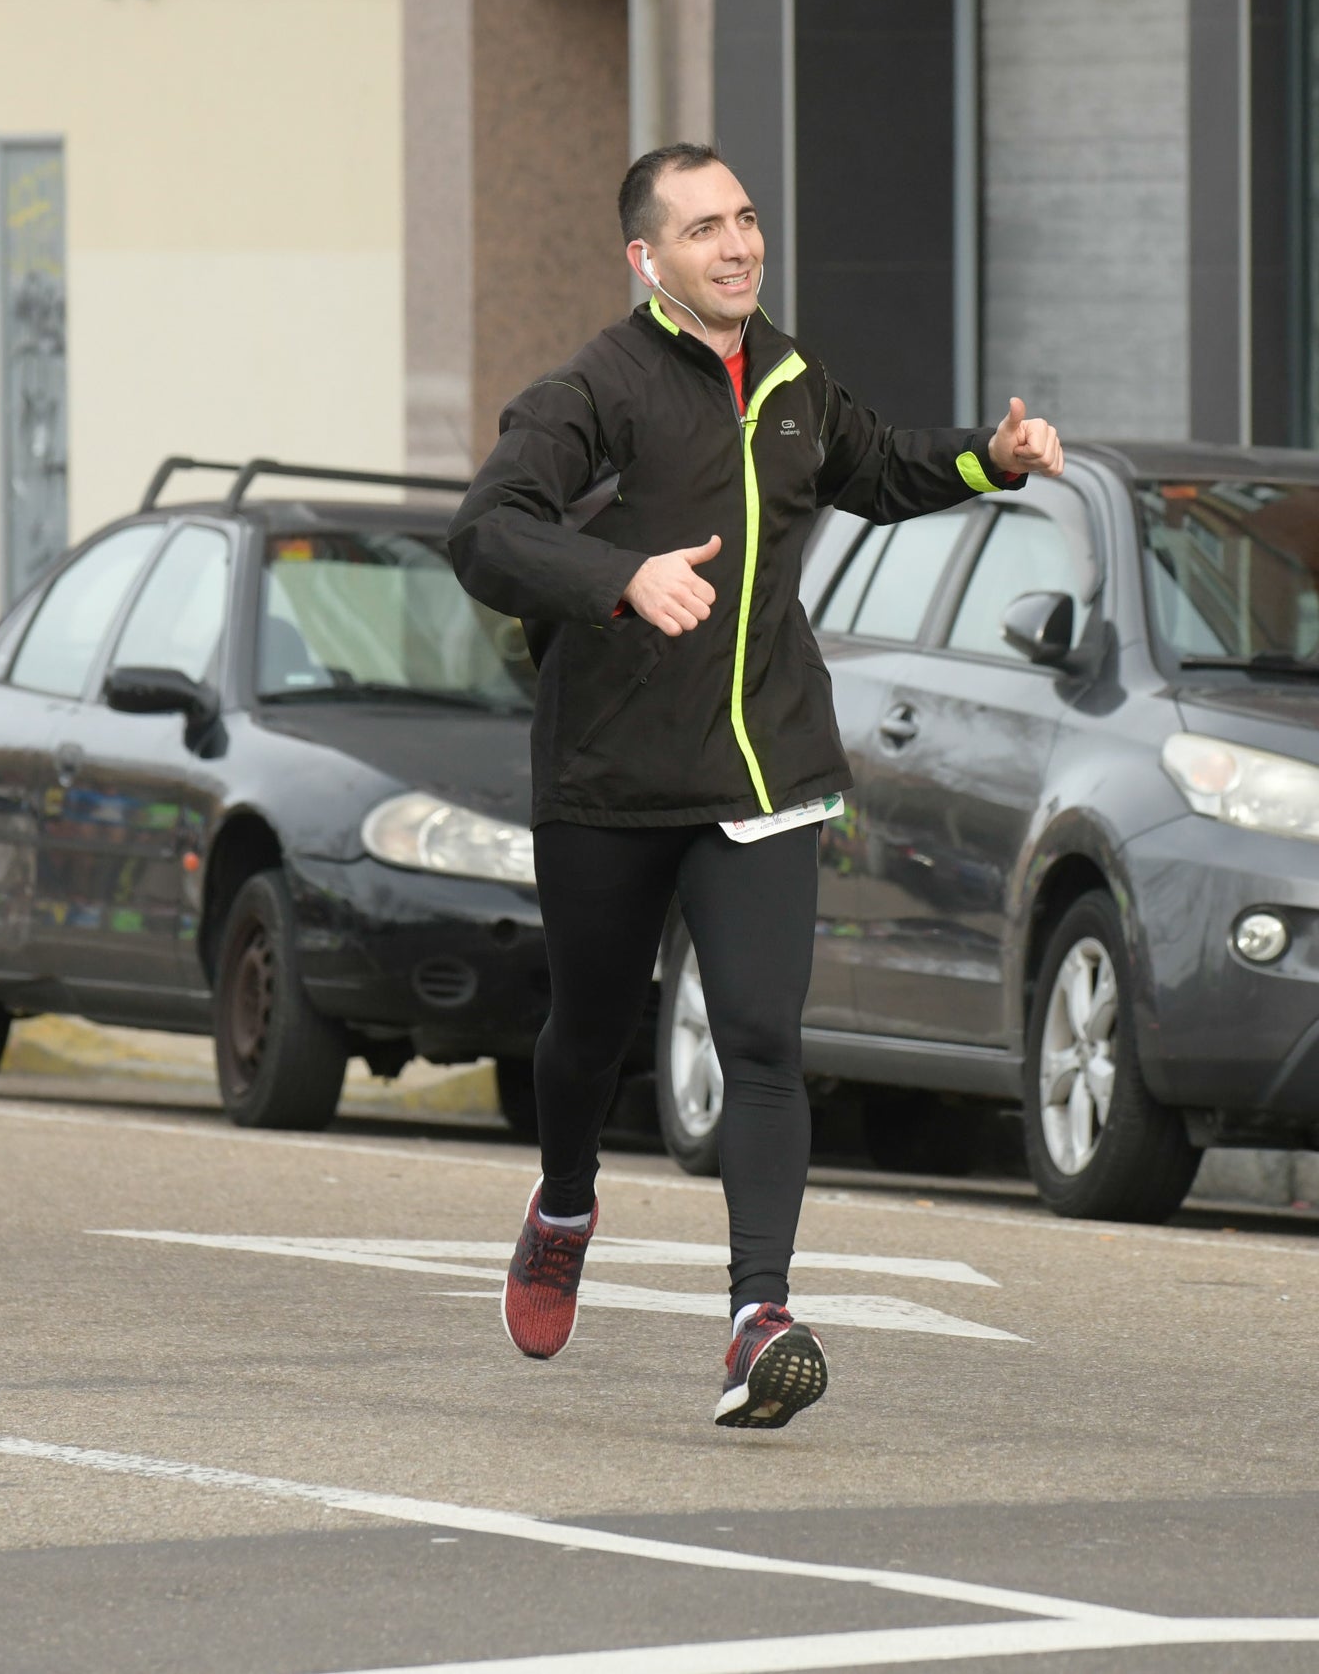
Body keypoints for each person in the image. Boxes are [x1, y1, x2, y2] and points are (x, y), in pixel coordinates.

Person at [447, 144, 1063, 1427]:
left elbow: (878, 468)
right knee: (590, 1035)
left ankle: (756, 1320)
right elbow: (488, 531)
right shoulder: (592, 391)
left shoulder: (790, 378)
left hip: (763, 762)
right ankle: (563, 1201)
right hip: (610, 772)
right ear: (646, 258)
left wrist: (988, 459)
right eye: (702, 230)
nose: (736, 246)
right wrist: (616, 577)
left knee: (764, 1043)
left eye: (743, 220)